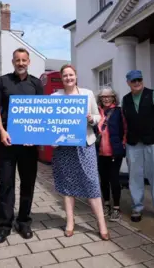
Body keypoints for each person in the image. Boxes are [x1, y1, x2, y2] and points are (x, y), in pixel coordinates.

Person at [0, 47, 44, 243]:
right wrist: (2, 130)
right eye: (17, 60)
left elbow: (42, 112)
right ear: (13, 62)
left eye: (24, 60)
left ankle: (24, 222)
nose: (21, 63)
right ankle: (4, 225)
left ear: (29, 62)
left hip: (29, 145)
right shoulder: (4, 81)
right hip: (8, 141)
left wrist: (36, 134)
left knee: (28, 184)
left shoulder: (36, 84)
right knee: (6, 184)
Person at [51, 64, 110, 240]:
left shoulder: (87, 94)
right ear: (61, 79)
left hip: (85, 144)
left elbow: (99, 116)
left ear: (76, 76)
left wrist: (92, 119)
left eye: (71, 75)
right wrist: (51, 140)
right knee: (67, 184)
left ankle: (101, 224)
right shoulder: (55, 97)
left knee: (92, 182)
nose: (68, 78)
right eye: (65, 76)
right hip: (64, 147)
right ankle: (70, 221)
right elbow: (50, 122)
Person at [121, 70, 154, 223]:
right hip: (133, 143)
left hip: (153, 142)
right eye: (133, 80)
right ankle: (137, 207)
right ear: (128, 82)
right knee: (135, 176)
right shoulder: (125, 99)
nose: (137, 83)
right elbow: (125, 120)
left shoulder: (153, 95)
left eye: (139, 80)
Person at [95, 86, 126, 222]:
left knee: (114, 180)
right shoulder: (96, 112)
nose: (106, 99)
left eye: (109, 96)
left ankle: (117, 208)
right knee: (104, 180)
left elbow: (126, 129)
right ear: (100, 99)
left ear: (114, 97)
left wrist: (122, 145)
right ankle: (106, 204)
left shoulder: (119, 112)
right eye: (103, 97)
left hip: (114, 152)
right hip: (100, 152)